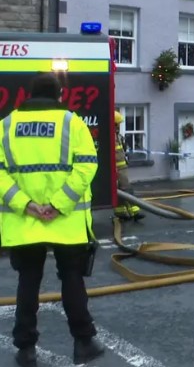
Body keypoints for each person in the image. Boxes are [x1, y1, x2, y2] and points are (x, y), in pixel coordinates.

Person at [0, 73, 105, 366]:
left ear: (28, 95)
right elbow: (86, 167)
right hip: (65, 221)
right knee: (71, 278)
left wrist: (26, 205)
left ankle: (25, 350)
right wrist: (58, 205)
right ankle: (84, 341)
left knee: (28, 282)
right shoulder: (73, 123)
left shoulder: (6, 126)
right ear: (60, 96)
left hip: (24, 221)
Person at [113, 111, 144, 220]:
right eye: (118, 124)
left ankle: (127, 212)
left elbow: (123, 151)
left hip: (122, 168)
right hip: (116, 169)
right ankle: (130, 212)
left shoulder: (118, 137)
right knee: (124, 190)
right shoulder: (110, 137)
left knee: (123, 190)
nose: (119, 126)